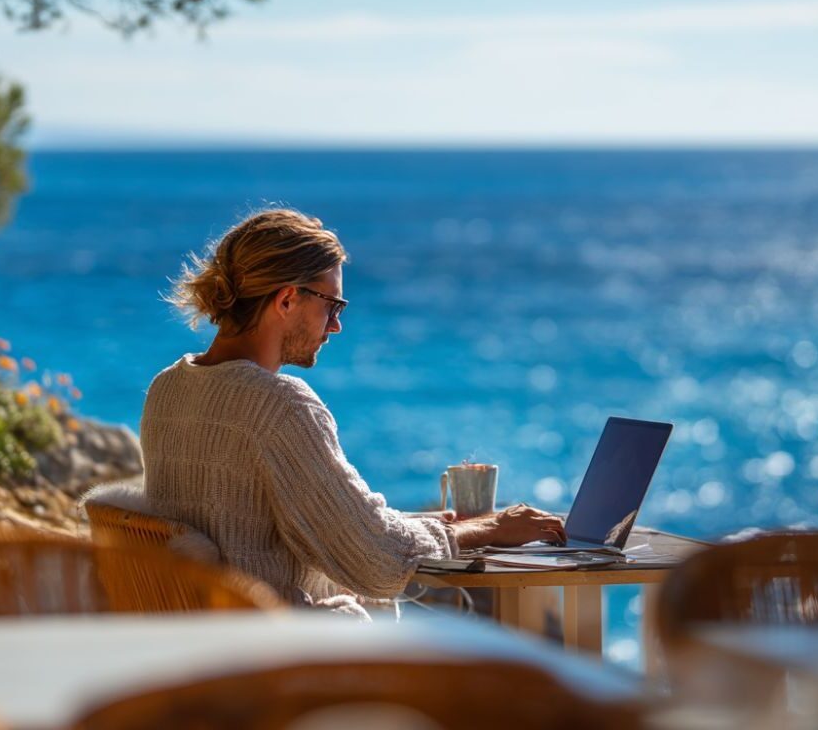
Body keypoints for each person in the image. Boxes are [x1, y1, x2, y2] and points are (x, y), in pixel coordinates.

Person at [141, 208, 565, 614]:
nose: (336, 325)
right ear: (287, 299)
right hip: (274, 658)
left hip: (202, 647)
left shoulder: (168, 390)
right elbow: (376, 562)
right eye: (332, 305)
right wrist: (489, 529)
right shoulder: (277, 406)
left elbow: (292, 523)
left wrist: (417, 525)